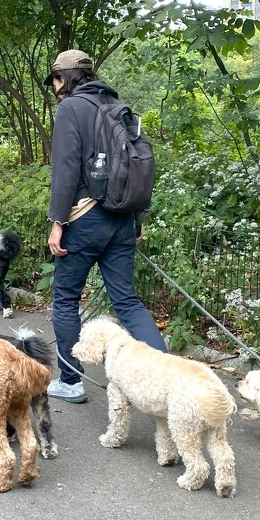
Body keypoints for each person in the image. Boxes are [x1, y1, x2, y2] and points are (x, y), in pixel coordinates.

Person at [44, 49, 168, 403]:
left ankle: (71, 381)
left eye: (55, 79)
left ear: (65, 77)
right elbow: (138, 167)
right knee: (126, 300)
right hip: (123, 219)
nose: (54, 87)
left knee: (66, 298)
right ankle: (164, 376)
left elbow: (65, 172)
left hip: (83, 218)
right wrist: (137, 218)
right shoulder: (119, 107)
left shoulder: (71, 109)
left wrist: (57, 222)